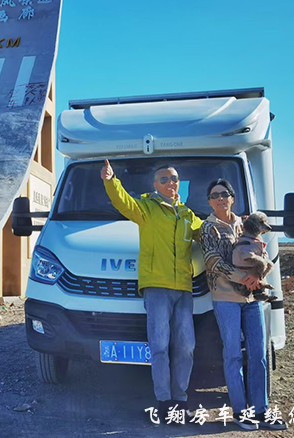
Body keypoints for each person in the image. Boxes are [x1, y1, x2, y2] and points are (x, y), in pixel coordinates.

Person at [101, 159, 201, 421]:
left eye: (174, 178)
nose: (170, 183)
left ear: (179, 183)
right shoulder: (147, 208)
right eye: (164, 179)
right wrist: (111, 181)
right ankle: (164, 401)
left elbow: (208, 233)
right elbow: (124, 202)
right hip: (156, 287)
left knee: (186, 346)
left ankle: (180, 399)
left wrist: (235, 224)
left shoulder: (187, 215)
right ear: (155, 184)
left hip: (184, 289)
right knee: (159, 346)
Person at [200, 178, 288, 431]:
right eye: (214, 195)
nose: (220, 198)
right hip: (226, 298)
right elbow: (212, 261)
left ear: (232, 198)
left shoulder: (245, 224)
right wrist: (245, 278)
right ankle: (241, 411)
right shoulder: (208, 228)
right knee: (233, 355)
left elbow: (259, 252)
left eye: (224, 194)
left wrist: (256, 278)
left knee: (258, 354)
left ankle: (261, 410)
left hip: (252, 297)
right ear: (209, 201)